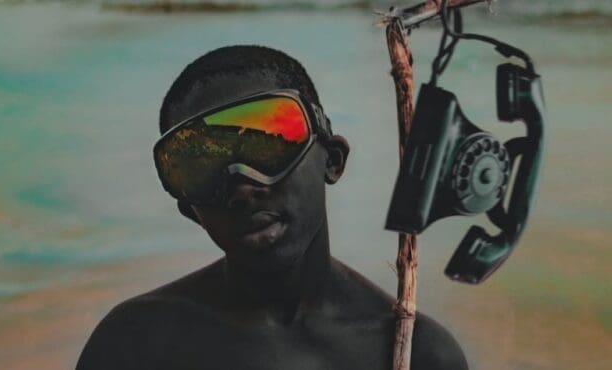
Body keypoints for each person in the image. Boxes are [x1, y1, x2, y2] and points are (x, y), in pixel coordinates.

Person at [76, 45, 468, 370]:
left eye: (268, 144)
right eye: (201, 167)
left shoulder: (417, 355)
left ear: (332, 161)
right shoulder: (135, 345)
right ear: (191, 210)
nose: (242, 187)